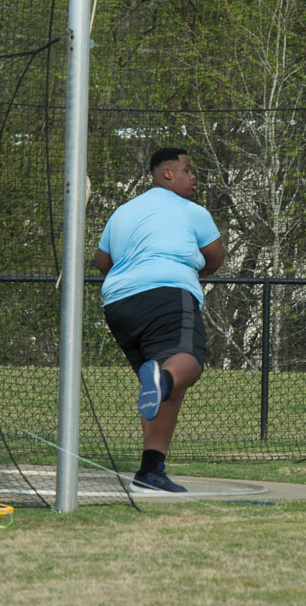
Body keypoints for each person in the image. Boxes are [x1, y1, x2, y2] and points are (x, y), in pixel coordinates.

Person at [94, 147, 225, 493]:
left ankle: (151, 469)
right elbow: (216, 255)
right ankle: (163, 380)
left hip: (119, 304)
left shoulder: (122, 212)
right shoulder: (190, 211)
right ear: (167, 174)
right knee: (189, 363)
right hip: (167, 294)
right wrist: (197, 271)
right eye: (187, 169)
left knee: (164, 388)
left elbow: (102, 261)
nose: (193, 176)